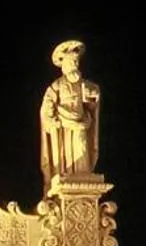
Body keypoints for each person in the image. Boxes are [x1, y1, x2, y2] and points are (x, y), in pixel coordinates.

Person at [39, 40, 101, 189]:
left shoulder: (85, 84)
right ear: (64, 65)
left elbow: (93, 103)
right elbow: (47, 105)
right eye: (72, 62)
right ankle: (66, 174)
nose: (75, 65)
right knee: (64, 152)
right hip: (64, 124)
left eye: (77, 61)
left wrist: (93, 96)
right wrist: (52, 118)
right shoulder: (57, 86)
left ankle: (83, 174)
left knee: (82, 147)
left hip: (81, 123)